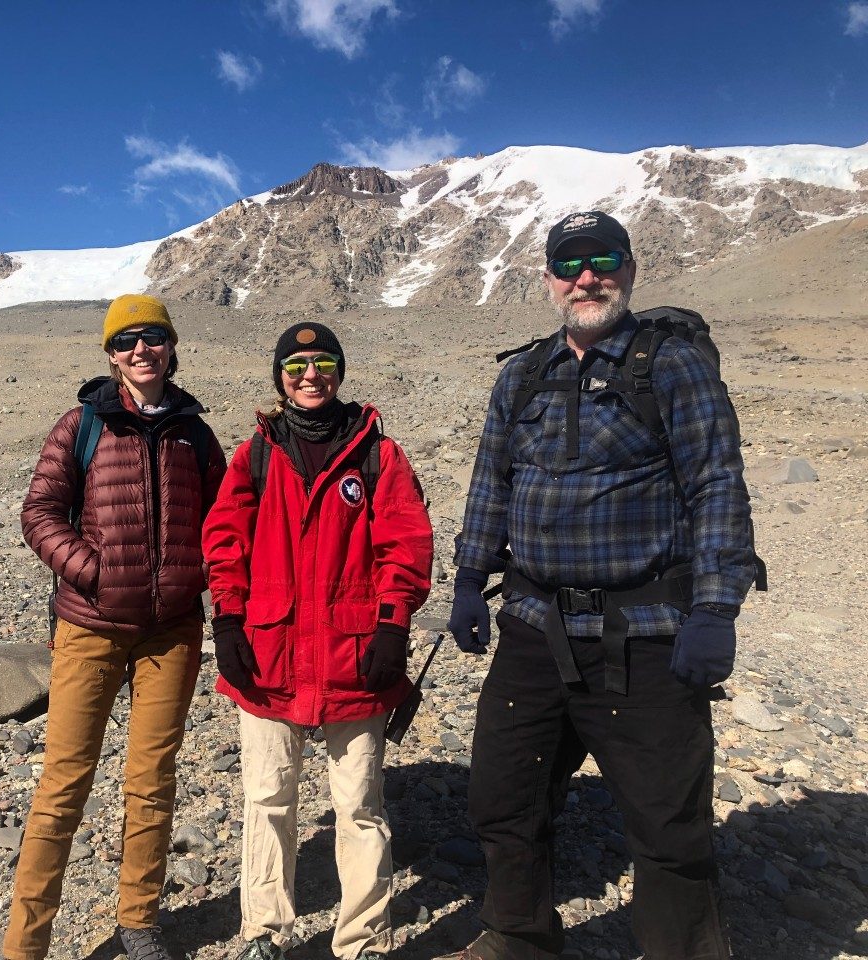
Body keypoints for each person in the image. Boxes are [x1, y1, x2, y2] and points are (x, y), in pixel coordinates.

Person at [446, 211, 758, 959]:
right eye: (570, 263)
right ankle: (518, 935)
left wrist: (716, 607)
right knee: (504, 797)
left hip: (644, 633)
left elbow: (717, 484)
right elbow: (491, 481)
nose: (588, 276)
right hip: (532, 629)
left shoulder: (672, 365)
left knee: (666, 821)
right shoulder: (522, 374)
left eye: (604, 259)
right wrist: (467, 576)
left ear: (630, 269)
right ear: (550, 278)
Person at [2, 294, 226, 960]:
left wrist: (198, 577)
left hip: (172, 633)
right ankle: (25, 944)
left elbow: (224, 523)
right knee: (64, 784)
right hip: (91, 628)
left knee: (153, 779)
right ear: (109, 353)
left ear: (171, 345)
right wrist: (94, 572)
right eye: (126, 341)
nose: (140, 350)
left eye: (152, 337)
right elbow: (40, 513)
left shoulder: (195, 434)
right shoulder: (83, 425)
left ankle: (139, 921)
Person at [202, 322, 434, 960]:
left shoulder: (377, 455)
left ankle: (362, 940)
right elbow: (225, 540)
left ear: (339, 369)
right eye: (297, 364)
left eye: (323, 361)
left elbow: (405, 544)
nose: (311, 374)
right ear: (280, 375)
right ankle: (265, 932)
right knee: (267, 797)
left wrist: (393, 624)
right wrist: (226, 619)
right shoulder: (256, 453)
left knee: (359, 803)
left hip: (355, 656)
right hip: (268, 652)